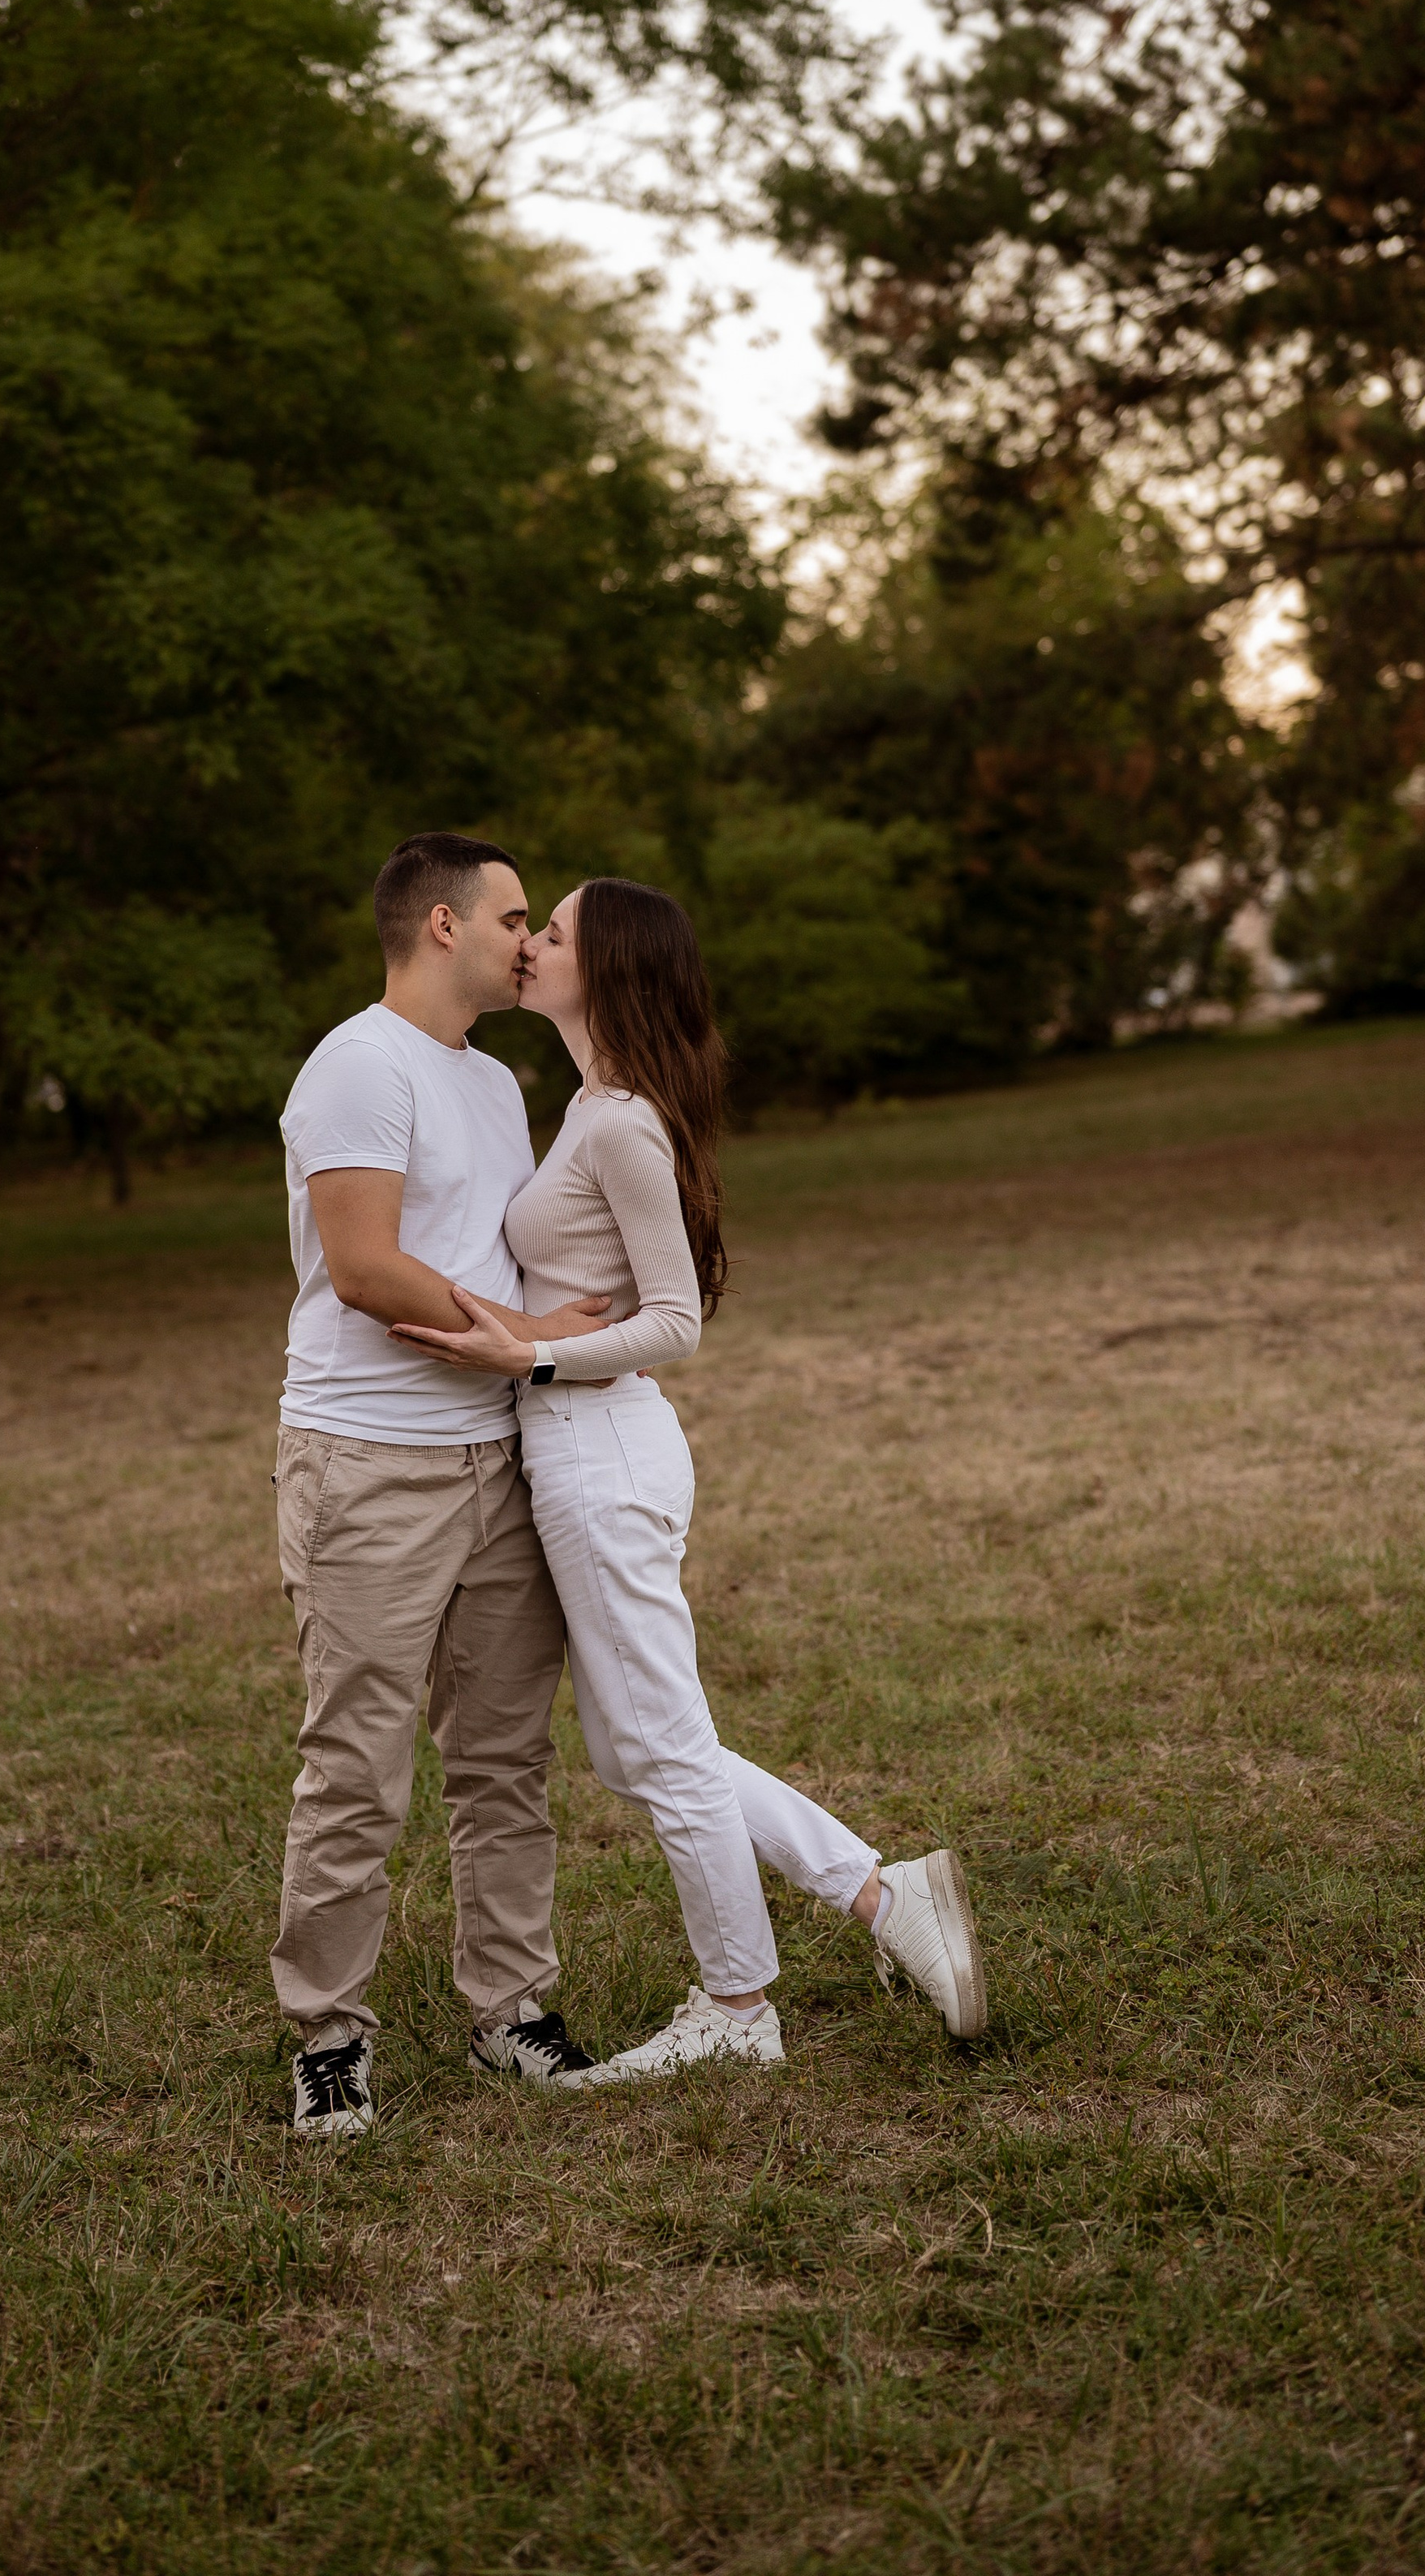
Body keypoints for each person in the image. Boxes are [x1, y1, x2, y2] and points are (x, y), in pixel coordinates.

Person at [394, 874, 986, 2080]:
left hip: (603, 1449)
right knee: (634, 1748)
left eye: (549, 932)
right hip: (586, 1451)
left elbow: (675, 1321)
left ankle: (739, 2004)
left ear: (603, 969)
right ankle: (885, 1897)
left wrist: (530, 1352)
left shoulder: (618, 1123)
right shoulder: (588, 1105)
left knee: (660, 1747)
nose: (528, 945)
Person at [270, 832, 614, 2141]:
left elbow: (483, 1252)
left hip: (501, 1461)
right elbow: (364, 1266)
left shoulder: (488, 1082)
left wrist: (555, 1332)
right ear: (439, 925)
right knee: (356, 1767)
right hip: (370, 1469)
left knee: (502, 1759)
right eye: (516, 917)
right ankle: (330, 2042)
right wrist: (522, 1336)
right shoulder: (359, 1065)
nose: (532, 941)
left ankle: (513, 2014)